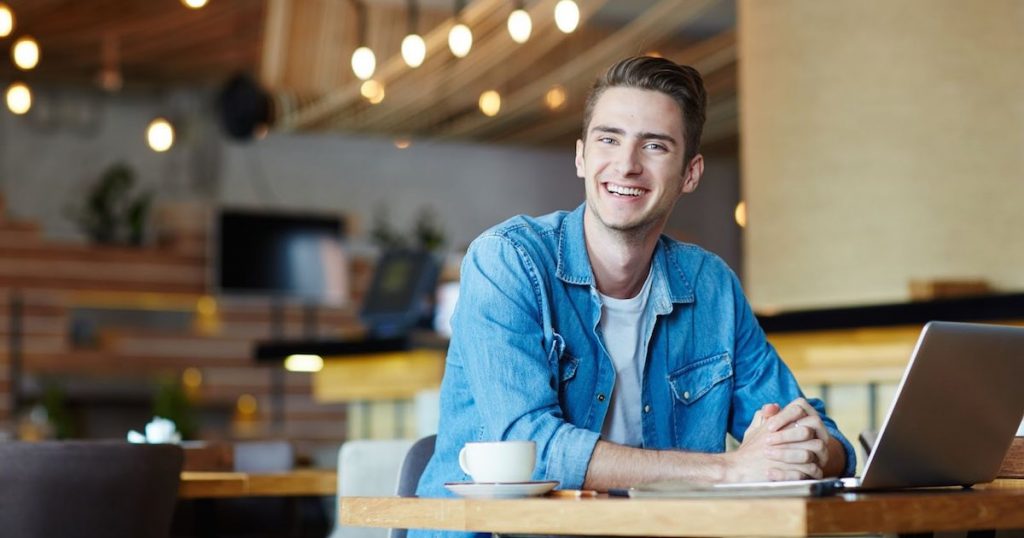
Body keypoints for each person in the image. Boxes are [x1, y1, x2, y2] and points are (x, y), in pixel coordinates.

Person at [414, 56, 856, 509]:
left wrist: (810, 448)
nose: (626, 165)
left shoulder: (711, 287)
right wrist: (730, 469)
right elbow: (531, 449)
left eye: (655, 146)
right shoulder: (507, 260)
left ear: (691, 173)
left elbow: (820, 436)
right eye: (609, 139)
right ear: (582, 157)